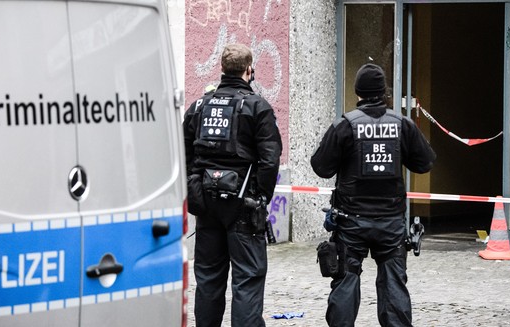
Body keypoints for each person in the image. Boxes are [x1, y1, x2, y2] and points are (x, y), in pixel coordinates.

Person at [311, 63, 436, 327]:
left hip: (351, 221)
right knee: (393, 281)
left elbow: (321, 166)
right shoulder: (402, 124)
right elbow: (424, 162)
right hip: (390, 222)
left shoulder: (345, 125)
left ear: (358, 92)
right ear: (384, 92)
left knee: (346, 279)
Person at [183, 43, 282, 327]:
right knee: (248, 279)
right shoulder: (257, 107)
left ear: (222, 69)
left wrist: (194, 185)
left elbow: (182, 149)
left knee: (209, 280)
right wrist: (260, 197)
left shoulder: (200, 105)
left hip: (207, 203)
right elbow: (270, 158)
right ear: (249, 70)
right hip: (243, 205)